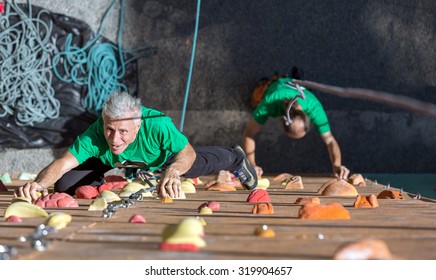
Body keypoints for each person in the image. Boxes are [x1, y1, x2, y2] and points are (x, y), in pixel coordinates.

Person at [16, 91, 258, 201]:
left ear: (138, 126)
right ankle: (109, 181)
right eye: (109, 129)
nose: (114, 138)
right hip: (114, 162)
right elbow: (63, 162)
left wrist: (173, 171)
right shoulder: (97, 133)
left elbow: (188, 152)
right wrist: (38, 184)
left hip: (161, 160)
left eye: (123, 131)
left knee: (197, 164)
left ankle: (234, 157)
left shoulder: (158, 125)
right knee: (66, 184)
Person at [242, 67, 349, 180]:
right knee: (256, 100)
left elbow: (330, 141)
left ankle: (286, 78)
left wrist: (337, 164)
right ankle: (269, 83)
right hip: (276, 88)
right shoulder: (270, 102)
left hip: (285, 89)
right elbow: (248, 133)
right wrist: (251, 164)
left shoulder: (314, 107)